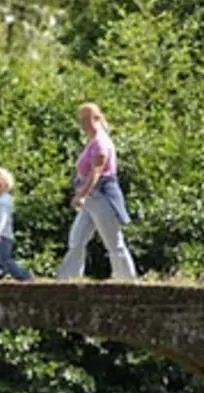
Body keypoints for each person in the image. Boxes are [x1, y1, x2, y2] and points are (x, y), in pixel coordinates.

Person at [55, 102, 138, 280]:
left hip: (100, 196)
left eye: (87, 119)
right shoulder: (92, 142)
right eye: (81, 119)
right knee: (77, 239)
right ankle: (67, 278)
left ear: (97, 119)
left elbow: (96, 173)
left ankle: (127, 279)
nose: (83, 123)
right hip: (91, 199)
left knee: (113, 242)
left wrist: (81, 194)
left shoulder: (101, 143)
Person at [0, 167, 32, 282]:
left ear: (6, 185)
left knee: (4, 260)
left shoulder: (5, 200)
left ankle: (24, 276)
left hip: (3, 236)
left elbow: (3, 218)